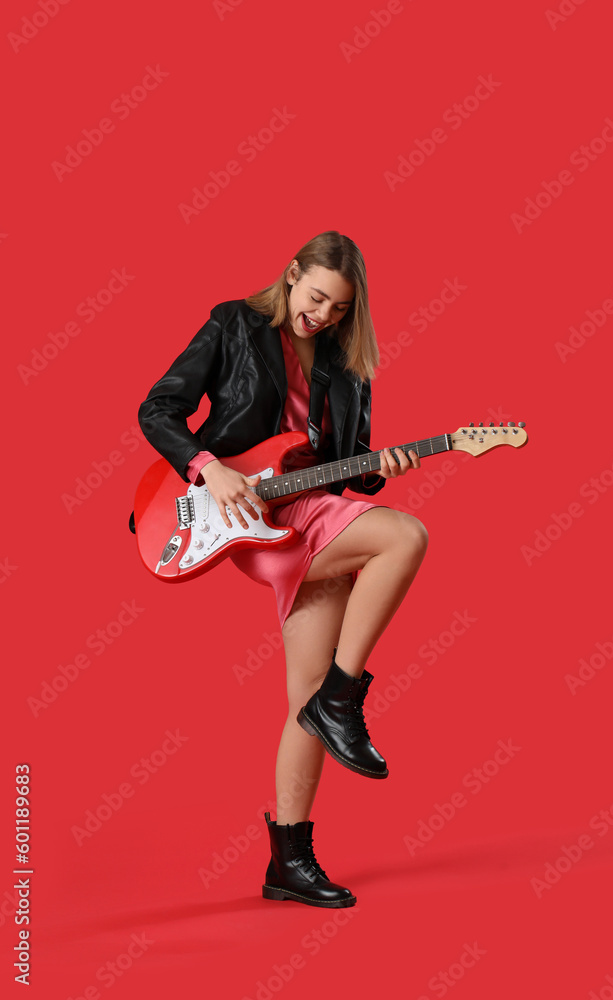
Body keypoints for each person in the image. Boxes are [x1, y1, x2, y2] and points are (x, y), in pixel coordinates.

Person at [138, 231, 428, 909]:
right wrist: (209, 468)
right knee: (405, 538)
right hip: (251, 516)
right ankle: (342, 697)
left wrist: (382, 466)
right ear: (291, 274)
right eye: (316, 297)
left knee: (300, 698)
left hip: (315, 514)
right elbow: (158, 408)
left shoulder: (347, 367)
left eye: (337, 307)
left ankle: (288, 861)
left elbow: (350, 466)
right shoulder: (233, 323)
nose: (322, 315)